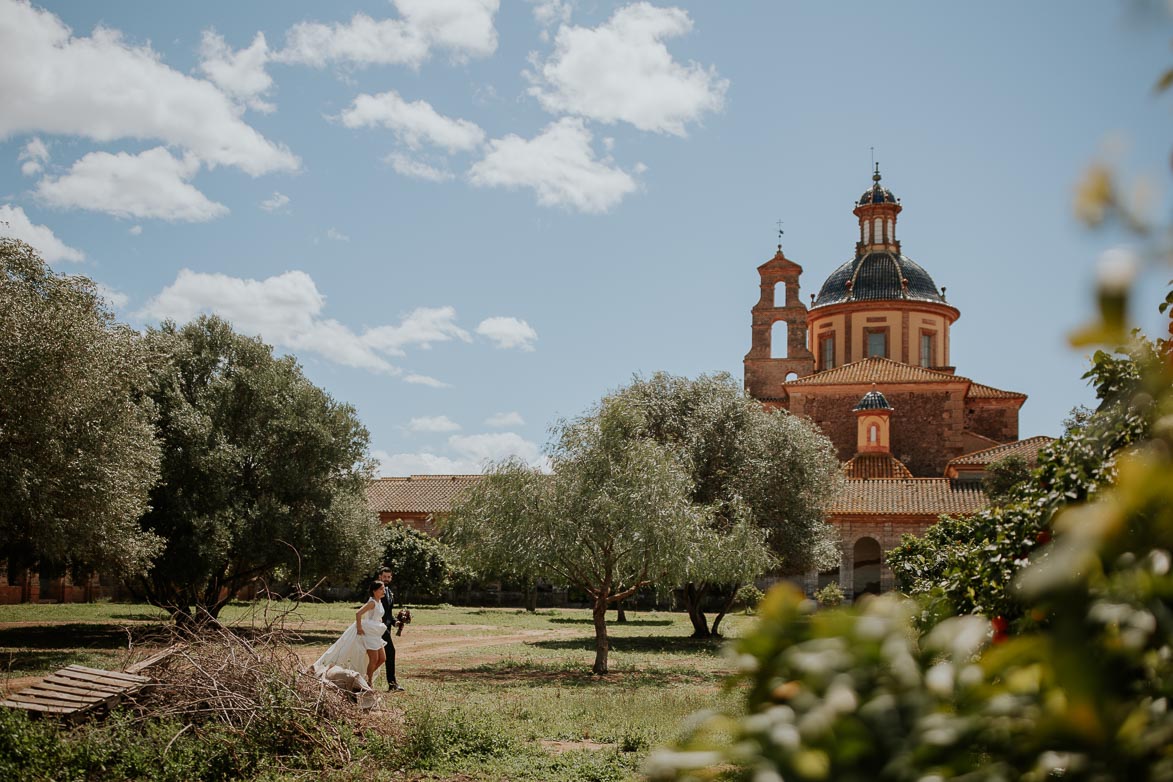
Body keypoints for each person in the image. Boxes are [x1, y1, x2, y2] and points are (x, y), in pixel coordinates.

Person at [313, 580, 389, 689]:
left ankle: (366, 677)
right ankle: (369, 682)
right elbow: (358, 613)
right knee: (374, 659)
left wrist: (379, 621)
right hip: (369, 634)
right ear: (374, 591)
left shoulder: (379, 602)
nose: (383, 591)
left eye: (383, 589)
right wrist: (359, 628)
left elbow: (375, 615)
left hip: (375, 632)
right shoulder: (372, 602)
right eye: (381, 589)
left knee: (382, 658)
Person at [377, 566, 405, 691]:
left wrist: (395, 622)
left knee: (380, 655)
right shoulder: (377, 590)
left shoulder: (388, 591)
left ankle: (392, 684)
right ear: (380, 577)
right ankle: (392, 684)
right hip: (378, 628)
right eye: (384, 577)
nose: (387, 579)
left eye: (389, 577)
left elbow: (388, 612)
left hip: (385, 627)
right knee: (389, 652)